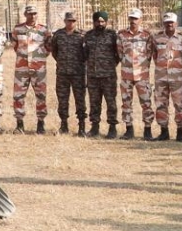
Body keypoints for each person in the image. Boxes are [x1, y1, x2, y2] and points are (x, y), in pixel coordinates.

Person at [10, 4, 51, 134]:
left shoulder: (44, 30)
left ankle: (41, 124)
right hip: (21, 69)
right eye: (30, 14)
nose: (32, 16)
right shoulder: (18, 29)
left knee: (41, 96)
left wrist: (39, 58)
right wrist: (23, 57)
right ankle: (19, 124)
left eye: (34, 13)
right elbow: (15, 46)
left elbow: (48, 47)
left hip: (39, 69)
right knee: (18, 96)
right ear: (25, 14)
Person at [117, 8, 156, 140]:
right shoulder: (122, 35)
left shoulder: (147, 35)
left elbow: (149, 54)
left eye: (136, 18)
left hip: (142, 75)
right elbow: (120, 53)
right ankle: (129, 130)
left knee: (146, 103)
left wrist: (142, 66)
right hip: (126, 75)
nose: (133, 21)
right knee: (126, 103)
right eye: (131, 18)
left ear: (140, 20)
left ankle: (147, 130)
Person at [152, 12, 182, 141]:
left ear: (176, 23)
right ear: (163, 23)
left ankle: (180, 133)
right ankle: (164, 132)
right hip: (161, 77)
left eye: (171, 22)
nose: (169, 24)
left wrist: (178, 68)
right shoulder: (157, 38)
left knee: (179, 104)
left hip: (177, 78)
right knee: (160, 104)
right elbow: (155, 56)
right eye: (167, 22)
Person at [49, 11, 88, 135]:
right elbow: (54, 51)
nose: (71, 23)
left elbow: (86, 53)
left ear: (76, 21)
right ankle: (64, 125)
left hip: (78, 73)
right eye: (69, 20)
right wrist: (62, 62)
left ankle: (81, 126)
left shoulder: (82, 35)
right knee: (62, 100)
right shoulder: (58, 34)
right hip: (62, 73)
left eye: (73, 21)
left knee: (80, 100)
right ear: (65, 21)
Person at [83, 10, 120, 138]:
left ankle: (112, 128)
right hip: (93, 76)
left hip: (108, 76)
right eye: (98, 21)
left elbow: (118, 54)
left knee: (111, 103)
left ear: (106, 22)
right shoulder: (88, 36)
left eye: (103, 21)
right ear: (94, 22)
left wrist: (109, 66)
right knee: (94, 102)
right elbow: (85, 54)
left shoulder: (112, 35)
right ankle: (94, 128)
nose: (100, 24)